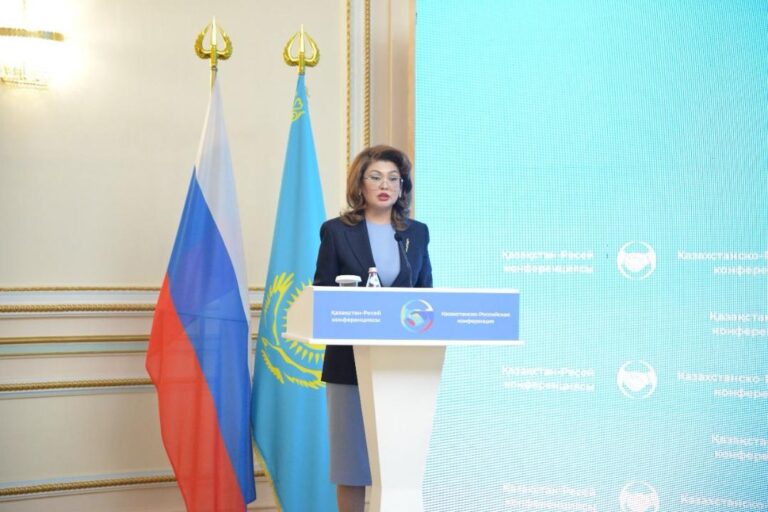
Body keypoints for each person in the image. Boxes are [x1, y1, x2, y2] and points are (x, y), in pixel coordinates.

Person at [313, 145, 433, 512]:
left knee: (398, 464)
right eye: (376, 177)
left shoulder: (416, 233)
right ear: (360, 184)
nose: (385, 185)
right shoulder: (337, 231)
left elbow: (426, 294)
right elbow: (322, 292)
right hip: (349, 361)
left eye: (394, 179)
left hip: (402, 364)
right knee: (351, 463)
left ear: (403, 187)